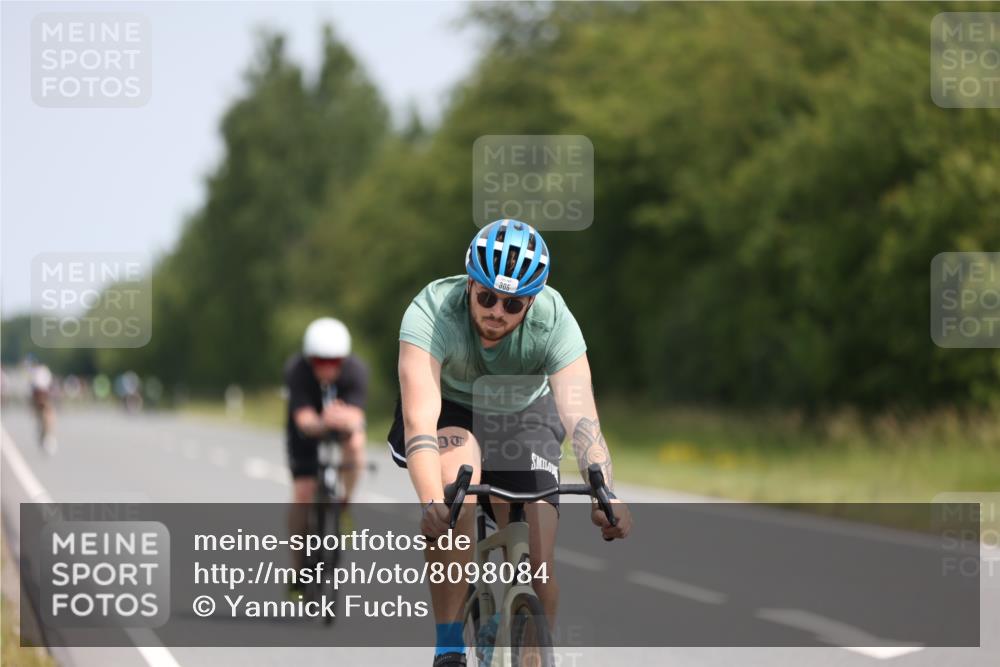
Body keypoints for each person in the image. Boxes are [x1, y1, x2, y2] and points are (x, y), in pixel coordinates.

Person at [387, 219, 633, 666]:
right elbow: (420, 419)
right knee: (455, 494)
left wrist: (605, 493)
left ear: (532, 301)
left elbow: (582, 420)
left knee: (539, 566)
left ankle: (532, 654)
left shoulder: (556, 321)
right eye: (486, 297)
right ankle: (448, 646)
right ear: (469, 286)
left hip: (524, 414)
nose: (497, 311)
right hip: (452, 411)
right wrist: (430, 503)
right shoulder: (431, 310)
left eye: (513, 303)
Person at [284, 317, 369, 595]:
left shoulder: (356, 371)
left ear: (343, 360)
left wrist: (344, 421)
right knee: (303, 492)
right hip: (307, 430)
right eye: (320, 361)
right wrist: (324, 422)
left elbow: (356, 417)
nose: (327, 368)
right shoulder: (297, 371)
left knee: (356, 444)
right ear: (310, 359)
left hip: (340, 426)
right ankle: (298, 569)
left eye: (334, 362)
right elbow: (304, 420)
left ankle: (344, 501)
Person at [28, 357, 57, 455]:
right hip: (40, 397)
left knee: (47, 418)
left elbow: (47, 387)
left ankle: (46, 438)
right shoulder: (38, 373)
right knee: (43, 419)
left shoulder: (41, 372)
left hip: (43, 396)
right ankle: (44, 438)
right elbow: (36, 388)